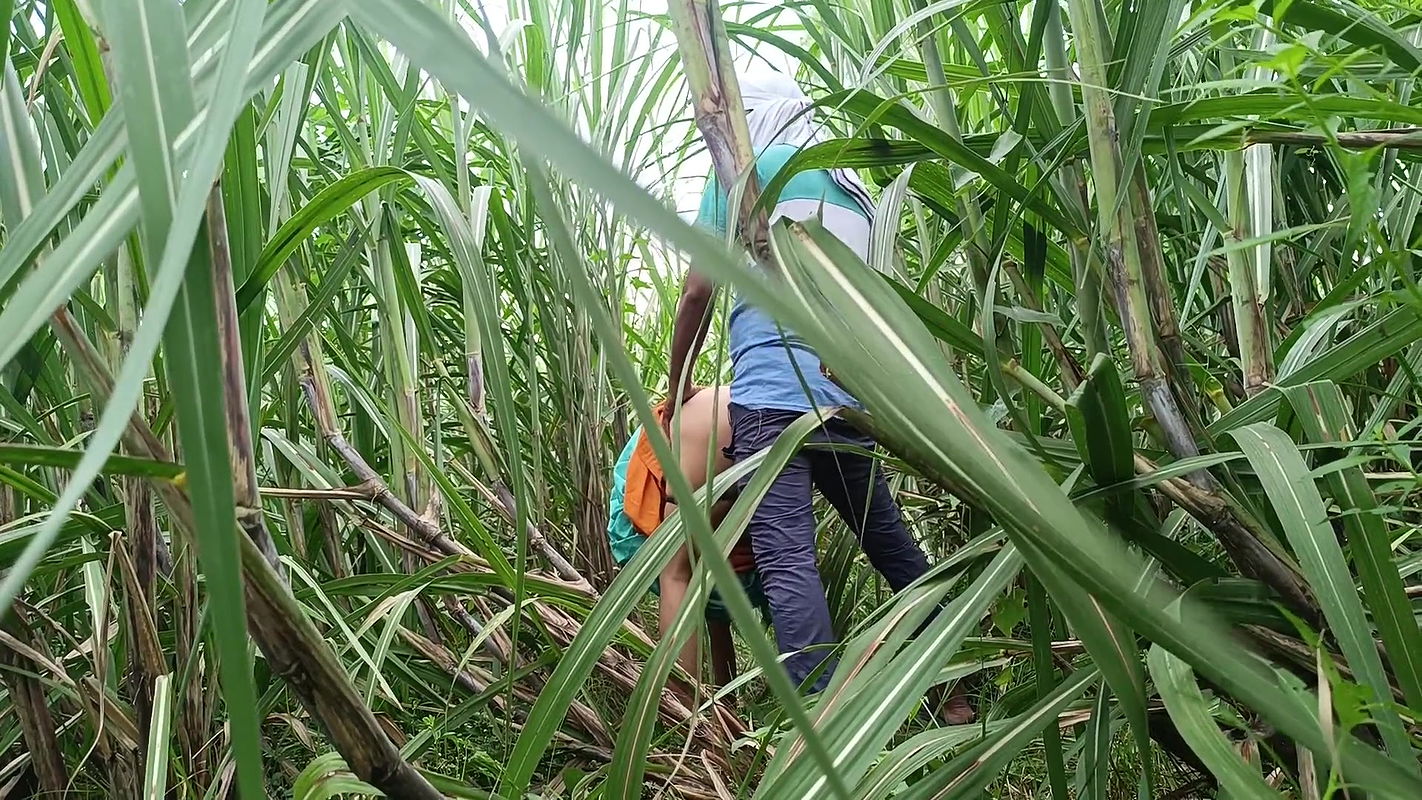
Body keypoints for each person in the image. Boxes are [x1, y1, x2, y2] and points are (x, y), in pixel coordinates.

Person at [664, 70, 974, 722]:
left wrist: (678, 381)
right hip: (843, 399)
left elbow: (698, 291)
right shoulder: (852, 188)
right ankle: (955, 692)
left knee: (784, 557)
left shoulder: (744, 177)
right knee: (890, 545)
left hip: (769, 400)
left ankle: (823, 725)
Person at [607, 385, 768, 687]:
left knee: (677, 573)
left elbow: (672, 496)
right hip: (727, 436)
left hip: (711, 428)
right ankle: (712, 701)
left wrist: (681, 383)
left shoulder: (716, 409)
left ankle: (686, 709)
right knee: (696, 569)